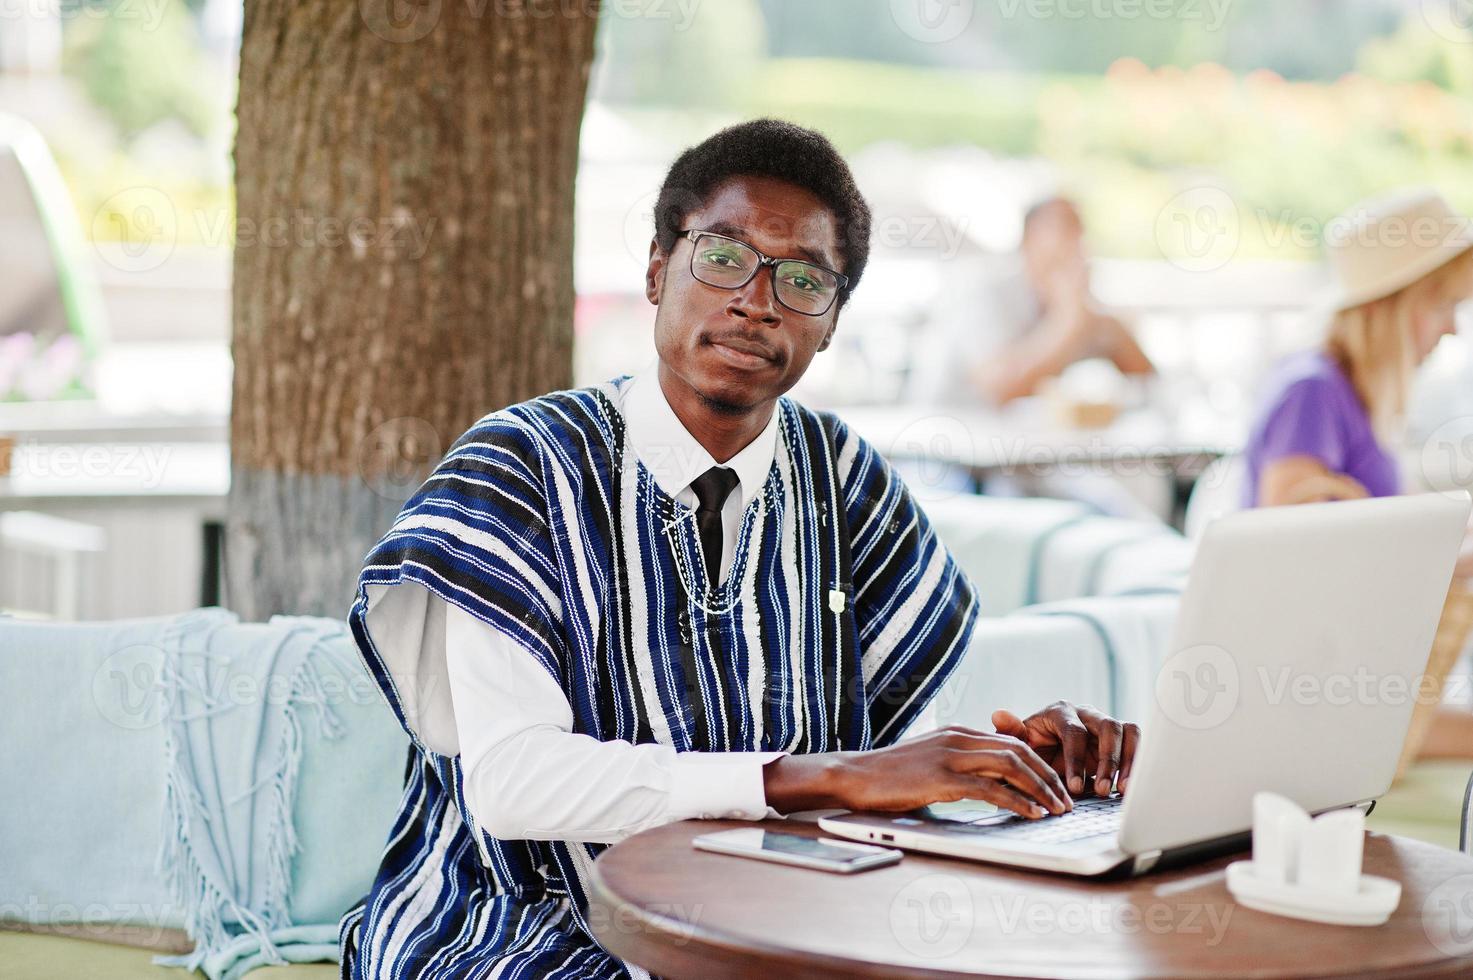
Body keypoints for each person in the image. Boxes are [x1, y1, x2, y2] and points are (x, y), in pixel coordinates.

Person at [336, 119, 1140, 979]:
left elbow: (889, 751)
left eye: (802, 281)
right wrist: (809, 778)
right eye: (722, 258)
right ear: (656, 270)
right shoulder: (523, 465)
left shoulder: (846, 481)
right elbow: (513, 783)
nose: (756, 301)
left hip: (774, 913)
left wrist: (1015, 757)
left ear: (829, 324)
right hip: (526, 922)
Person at [1241, 187, 1473, 764]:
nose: (1452, 330)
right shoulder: (1313, 392)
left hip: (1355, 687)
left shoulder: (1348, 395)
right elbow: (1296, 559)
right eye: (1443, 306)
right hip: (1316, 700)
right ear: (1386, 307)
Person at [908, 195, 1154, 407]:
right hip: (944, 447)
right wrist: (1070, 320)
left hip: (1017, 448)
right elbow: (1001, 387)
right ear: (1027, 241)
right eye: (1061, 230)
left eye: (1078, 232)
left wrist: (1099, 321)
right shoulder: (985, 292)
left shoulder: (1073, 303)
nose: (1074, 245)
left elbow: (1149, 380)